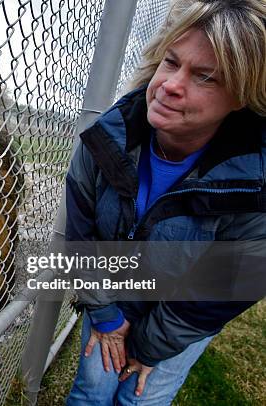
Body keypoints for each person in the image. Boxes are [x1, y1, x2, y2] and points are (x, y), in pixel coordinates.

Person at [64, 0, 266, 404]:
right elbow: (80, 236)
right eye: (171, 62)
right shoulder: (105, 139)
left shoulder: (256, 185)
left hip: (182, 317)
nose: (172, 84)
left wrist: (151, 347)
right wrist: (105, 317)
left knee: (139, 400)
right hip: (113, 295)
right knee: (91, 393)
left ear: (242, 96)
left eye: (205, 77)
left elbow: (222, 289)